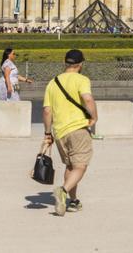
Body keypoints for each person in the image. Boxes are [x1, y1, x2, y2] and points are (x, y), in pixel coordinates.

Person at [42, 49, 98, 216]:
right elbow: (87, 98)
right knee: (81, 166)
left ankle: (72, 201)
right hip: (78, 128)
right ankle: (63, 190)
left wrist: (47, 133)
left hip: (59, 131)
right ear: (81, 64)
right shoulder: (82, 79)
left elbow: (46, 110)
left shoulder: (53, 82)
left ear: (65, 63)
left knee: (71, 166)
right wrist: (94, 117)